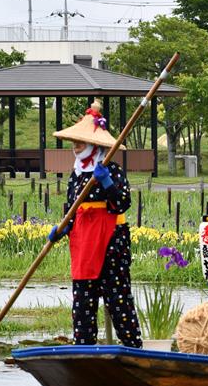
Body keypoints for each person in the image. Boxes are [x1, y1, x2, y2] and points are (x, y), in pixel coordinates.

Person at [47, 99, 142, 348]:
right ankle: (84, 348)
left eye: (80, 142)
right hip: (83, 241)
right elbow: (71, 208)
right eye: (74, 142)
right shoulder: (75, 176)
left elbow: (122, 203)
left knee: (117, 297)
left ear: (94, 144)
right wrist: (63, 228)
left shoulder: (112, 169)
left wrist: (107, 182)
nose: (75, 146)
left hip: (111, 239)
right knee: (83, 300)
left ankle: (132, 346)